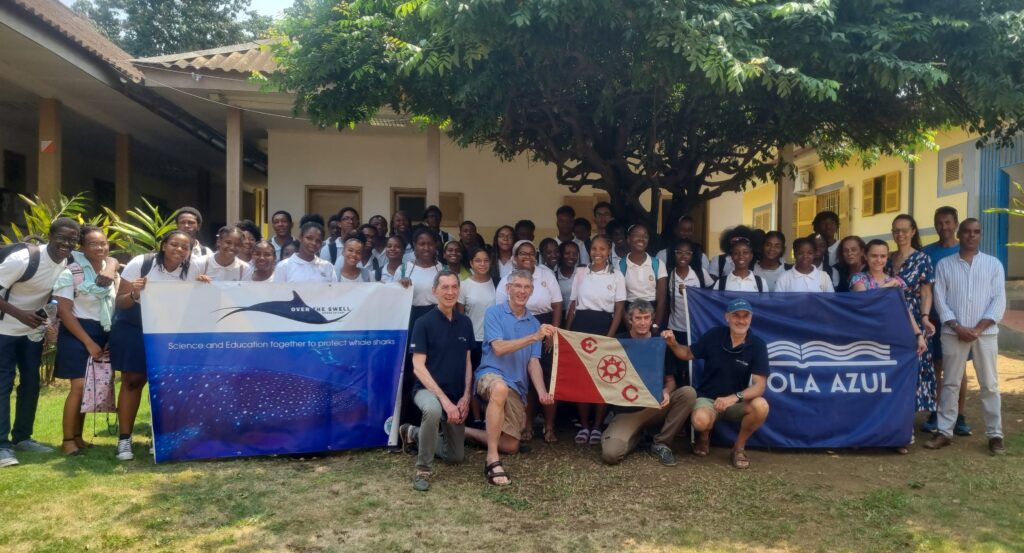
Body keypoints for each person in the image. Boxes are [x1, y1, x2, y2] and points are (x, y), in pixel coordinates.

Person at [110, 229, 199, 461]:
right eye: (174, 245)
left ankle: (158, 436)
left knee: (165, 384)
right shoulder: (141, 263)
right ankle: (124, 439)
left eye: (185, 247)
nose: (179, 250)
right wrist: (135, 293)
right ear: (163, 245)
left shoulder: (192, 269)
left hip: (168, 332)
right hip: (134, 328)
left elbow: (195, 302)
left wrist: (204, 287)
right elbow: (121, 302)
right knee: (132, 381)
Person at [0, 217, 80, 467]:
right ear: (50, 236)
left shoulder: (68, 261)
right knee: (3, 385)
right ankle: (2, 445)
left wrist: (45, 323)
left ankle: (23, 437)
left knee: (31, 383)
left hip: (31, 333)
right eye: (62, 238)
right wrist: (21, 314)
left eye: (72, 240)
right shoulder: (23, 260)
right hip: (4, 329)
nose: (66, 244)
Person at [464, 270, 556, 485]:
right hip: (490, 375)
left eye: (527, 287)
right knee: (499, 389)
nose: (522, 291)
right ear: (508, 289)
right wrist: (534, 337)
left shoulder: (534, 323)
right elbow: (498, 348)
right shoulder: (494, 313)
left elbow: (533, 363)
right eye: (518, 286)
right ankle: (492, 460)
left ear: (531, 291)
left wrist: (542, 393)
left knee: (511, 446)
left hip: (517, 387)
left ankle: (462, 432)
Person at [926, 219, 1006, 455]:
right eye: (967, 232)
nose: (971, 235)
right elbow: (940, 300)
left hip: (987, 333)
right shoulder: (944, 265)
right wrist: (958, 326)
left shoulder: (993, 265)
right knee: (950, 382)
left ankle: (995, 434)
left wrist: (978, 328)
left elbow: (998, 301)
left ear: (980, 235)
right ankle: (944, 431)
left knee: (989, 384)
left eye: (976, 232)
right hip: (953, 332)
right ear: (959, 234)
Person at [661, 298, 770, 469]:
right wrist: (673, 344)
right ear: (727, 317)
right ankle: (704, 437)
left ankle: (738, 448)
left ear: (751, 318)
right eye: (736, 316)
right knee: (700, 421)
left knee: (761, 406)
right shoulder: (714, 335)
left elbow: (759, 386)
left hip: (736, 402)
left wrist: (734, 398)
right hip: (708, 399)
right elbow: (687, 353)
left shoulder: (758, 345)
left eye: (745, 316)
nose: (741, 320)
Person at [398, 271, 474, 491]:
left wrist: (466, 397)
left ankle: (413, 433)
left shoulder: (465, 323)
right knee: (432, 410)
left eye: (454, 287)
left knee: (455, 457)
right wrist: (444, 401)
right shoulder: (423, 323)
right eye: (444, 287)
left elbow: (468, 363)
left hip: (456, 393)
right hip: (428, 391)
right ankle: (423, 469)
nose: (450, 292)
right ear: (434, 291)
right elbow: (418, 367)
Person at [851, 239, 928, 453]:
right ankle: (861, 436)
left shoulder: (897, 282)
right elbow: (864, 302)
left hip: (891, 341)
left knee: (890, 390)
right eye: (874, 255)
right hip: (865, 342)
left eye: (883, 256)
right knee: (866, 389)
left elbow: (905, 311)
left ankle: (895, 437)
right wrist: (888, 287)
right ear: (865, 256)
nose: (878, 260)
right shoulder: (859, 279)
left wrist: (918, 335)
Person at [602, 301, 697, 466]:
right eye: (638, 318)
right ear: (630, 320)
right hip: (627, 412)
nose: (643, 322)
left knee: (688, 393)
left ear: (652, 318)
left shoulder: (660, 343)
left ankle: (661, 442)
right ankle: (637, 437)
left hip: (655, 406)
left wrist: (666, 391)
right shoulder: (618, 342)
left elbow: (671, 381)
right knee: (611, 454)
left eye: (646, 318)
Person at [53, 225, 119, 455]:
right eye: (93, 244)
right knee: (79, 386)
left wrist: (109, 338)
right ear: (83, 247)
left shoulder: (112, 273)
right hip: (77, 331)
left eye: (104, 243)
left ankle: (79, 438)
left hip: (103, 331)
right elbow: (64, 312)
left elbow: (113, 306)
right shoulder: (70, 272)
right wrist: (88, 342)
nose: (100, 247)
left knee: (89, 387)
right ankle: (67, 440)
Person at [494, 241, 561, 442]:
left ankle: (549, 427)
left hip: (545, 326)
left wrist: (552, 334)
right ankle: (526, 424)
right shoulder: (507, 279)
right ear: (514, 257)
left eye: (531, 253)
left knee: (549, 378)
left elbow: (558, 304)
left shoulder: (546, 274)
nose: (527, 257)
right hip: (517, 329)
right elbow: (500, 310)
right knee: (525, 378)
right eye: (522, 253)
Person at [565, 235, 626, 444]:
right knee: (583, 378)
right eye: (593, 248)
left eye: (602, 249)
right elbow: (573, 305)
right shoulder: (581, 273)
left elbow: (619, 310)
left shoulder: (617, 276)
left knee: (602, 378)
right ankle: (584, 426)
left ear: (609, 251)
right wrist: (568, 333)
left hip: (604, 327)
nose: (597, 253)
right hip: (581, 326)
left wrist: (609, 336)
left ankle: (598, 426)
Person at [920, 206, 971, 436]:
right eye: (939, 223)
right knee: (936, 367)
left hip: (960, 319)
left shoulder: (965, 251)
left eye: (948, 222)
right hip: (934, 319)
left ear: (956, 224)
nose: (944, 227)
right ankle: (936, 411)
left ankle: (959, 415)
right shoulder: (928, 252)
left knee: (958, 370)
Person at [888, 214, 938, 423]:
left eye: (904, 230)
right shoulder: (888, 258)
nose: (900, 234)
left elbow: (926, 292)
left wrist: (925, 318)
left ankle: (906, 419)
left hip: (913, 318)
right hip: (890, 317)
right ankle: (893, 414)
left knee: (913, 366)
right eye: (896, 230)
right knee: (893, 366)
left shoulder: (922, 258)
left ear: (913, 231)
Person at [665, 238, 713, 387]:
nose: (683, 256)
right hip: (676, 326)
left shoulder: (700, 274)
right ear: (674, 255)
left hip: (695, 328)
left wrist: (692, 293)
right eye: (679, 252)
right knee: (677, 366)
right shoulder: (669, 274)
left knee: (694, 364)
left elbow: (710, 295)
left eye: (687, 253)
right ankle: (680, 396)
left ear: (692, 256)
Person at [457, 247, 496, 426]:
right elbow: (460, 317)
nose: (482, 264)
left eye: (486, 260)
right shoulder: (464, 285)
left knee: (489, 379)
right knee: (471, 379)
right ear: (471, 263)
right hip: (472, 340)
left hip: (493, 340)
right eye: (478, 260)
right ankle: (477, 419)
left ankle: (490, 418)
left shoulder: (497, 283)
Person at [620, 223, 668, 328]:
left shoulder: (658, 264)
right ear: (628, 239)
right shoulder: (620, 265)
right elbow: (620, 301)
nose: (641, 239)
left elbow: (661, 300)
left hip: (653, 314)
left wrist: (655, 325)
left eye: (645, 236)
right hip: (630, 315)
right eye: (637, 235)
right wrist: (629, 325)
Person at [554, 240, 579, 309]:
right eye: (567, 253)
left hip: (579, 316)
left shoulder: (582, 274)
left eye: (575, 254)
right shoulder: (554, 276)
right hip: (560, 315)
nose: (571, 256)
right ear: (561, 255)